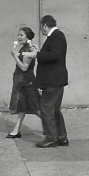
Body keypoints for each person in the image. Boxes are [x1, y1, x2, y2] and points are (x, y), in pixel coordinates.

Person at [27, 14, 68, 148]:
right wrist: (38, 52)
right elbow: (52, 54)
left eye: (41, 27)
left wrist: (37, 54)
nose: (41, 30)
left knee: (45, 107)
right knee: (54, 109)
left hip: (53, 80)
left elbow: (55, 55)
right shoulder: (56, 36)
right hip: (56, 80)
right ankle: (61, 137)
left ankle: (51, 138)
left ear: (45, 25)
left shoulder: (56, 36)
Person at [6, 26, 41, 139]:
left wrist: (14, 56)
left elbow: (24, 67)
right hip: (22, 82)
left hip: (27, 83)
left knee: (35, 107)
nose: (19, 37)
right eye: (18, 35)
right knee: (23, 106)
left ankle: (52, 126)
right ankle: (16, 130)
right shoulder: (24, 48)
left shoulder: (28, 50)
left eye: (21, 35)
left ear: (27, 37)